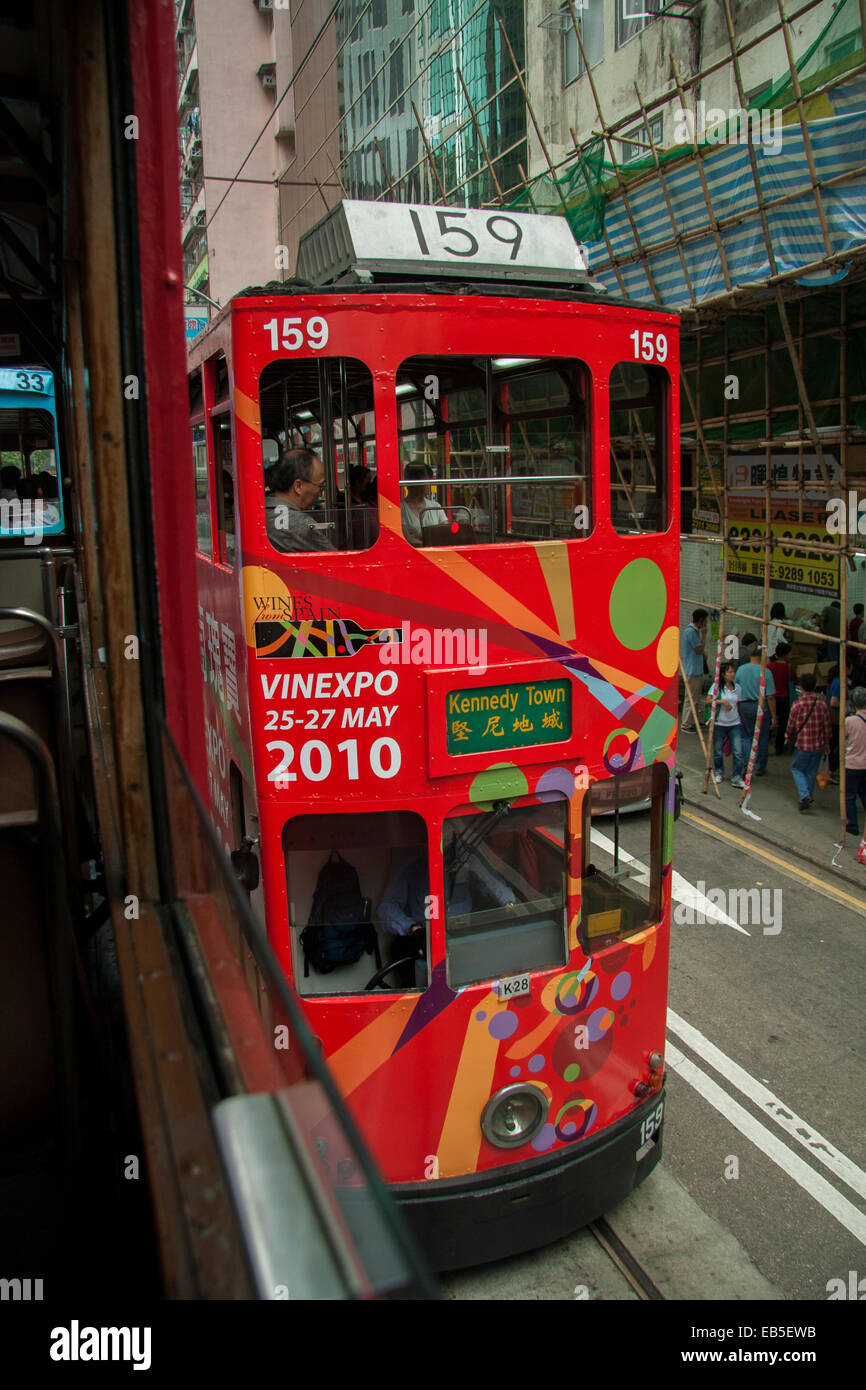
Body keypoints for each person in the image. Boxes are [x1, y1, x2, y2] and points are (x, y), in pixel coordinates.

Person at [377, 847, 516, 985]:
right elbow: (387, 907)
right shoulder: (409, 860)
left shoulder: (466, 853)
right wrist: (413, 928)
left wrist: (510, 905)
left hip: (462, 939)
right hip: (424, 942)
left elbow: (495, 884)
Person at [264, 448, 335, 553]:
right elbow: (335, 559)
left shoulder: (260, 513)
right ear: (298, 486)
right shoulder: (302, 524)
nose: (321, 493)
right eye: (320, 486)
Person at [786, 672, 831, 812]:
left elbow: (791, 725)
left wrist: (787, 736)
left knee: (797, 769)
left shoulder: (797, 704)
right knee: (811, 772)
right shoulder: (822, 704)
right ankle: (807, 796)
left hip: (802, 744)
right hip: (817, 744)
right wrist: (827, 744)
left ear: (801, 686)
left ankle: (805, 796)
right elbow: (827, 726)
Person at [735, 643, 777, 775]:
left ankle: (747, 763)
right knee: (762, 737)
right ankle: (759, 766)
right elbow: (770, 697)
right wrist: (774, 716)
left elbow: (736, 690)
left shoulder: (741, 670)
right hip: (760, 705)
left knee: (746, 736)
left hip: (744, 705)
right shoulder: (766, 671)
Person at [705, 661, 745, 787]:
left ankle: (737, 776)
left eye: (733, 671)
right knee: (718, 751)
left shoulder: (738, 688)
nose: (733, 674)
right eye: (730, 672)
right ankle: (719, 772)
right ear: (723, 674)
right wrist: (721, 701)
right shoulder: (716, 687)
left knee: (738, 751)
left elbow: (738, 705)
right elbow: (708, 701)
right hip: (719, 723)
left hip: (735, 723)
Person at [401, 462, 447, 546]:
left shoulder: (436, 506)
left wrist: (418, 535)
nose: (429, 485)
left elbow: (446, 533)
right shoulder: (400, 508)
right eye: (426, 481)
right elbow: (408, 540)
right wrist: (432, 536)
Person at [843, 687, 866, 847]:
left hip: (852, 763)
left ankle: (852, 825)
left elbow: (844, 737)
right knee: (864, 794)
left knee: (849, 796)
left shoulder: (849, 721)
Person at [680, 609, 708, 731]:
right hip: (692, 670)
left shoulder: (693, 632)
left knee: (695, 698)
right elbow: (699, 650)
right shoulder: (691, 632)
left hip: (696, 669)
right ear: (701, 620)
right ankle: (686, 723)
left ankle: (694, 721)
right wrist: (704, 635)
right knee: (690, 698)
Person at [768, 641, 796, 757]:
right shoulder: (789, 668)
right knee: (782, 724)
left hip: (771, 698)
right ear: (785, 654)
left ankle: (764, 744)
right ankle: (779, 748)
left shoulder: (769, 667)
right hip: (785, 699)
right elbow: (796, 681)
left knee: (769, 722)